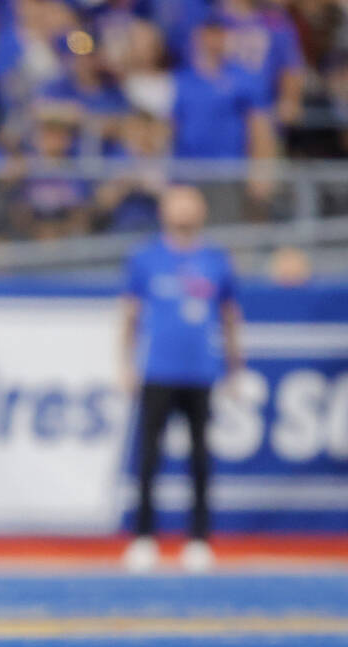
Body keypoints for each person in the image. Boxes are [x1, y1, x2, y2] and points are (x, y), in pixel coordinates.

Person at [119, 185, 243, 574]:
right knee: (148, 458)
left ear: (202, 210)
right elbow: (130, 312)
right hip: (158, 370)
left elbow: (229, 316)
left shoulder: (216, 259)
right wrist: (124, 363)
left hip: (201, 371)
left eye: (191, 202)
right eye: (177, 202)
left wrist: (234, 366)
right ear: (164, 210)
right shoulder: (146, 257)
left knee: (201, 459)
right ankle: (143, 538)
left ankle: (199, 540)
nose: (184, 209)